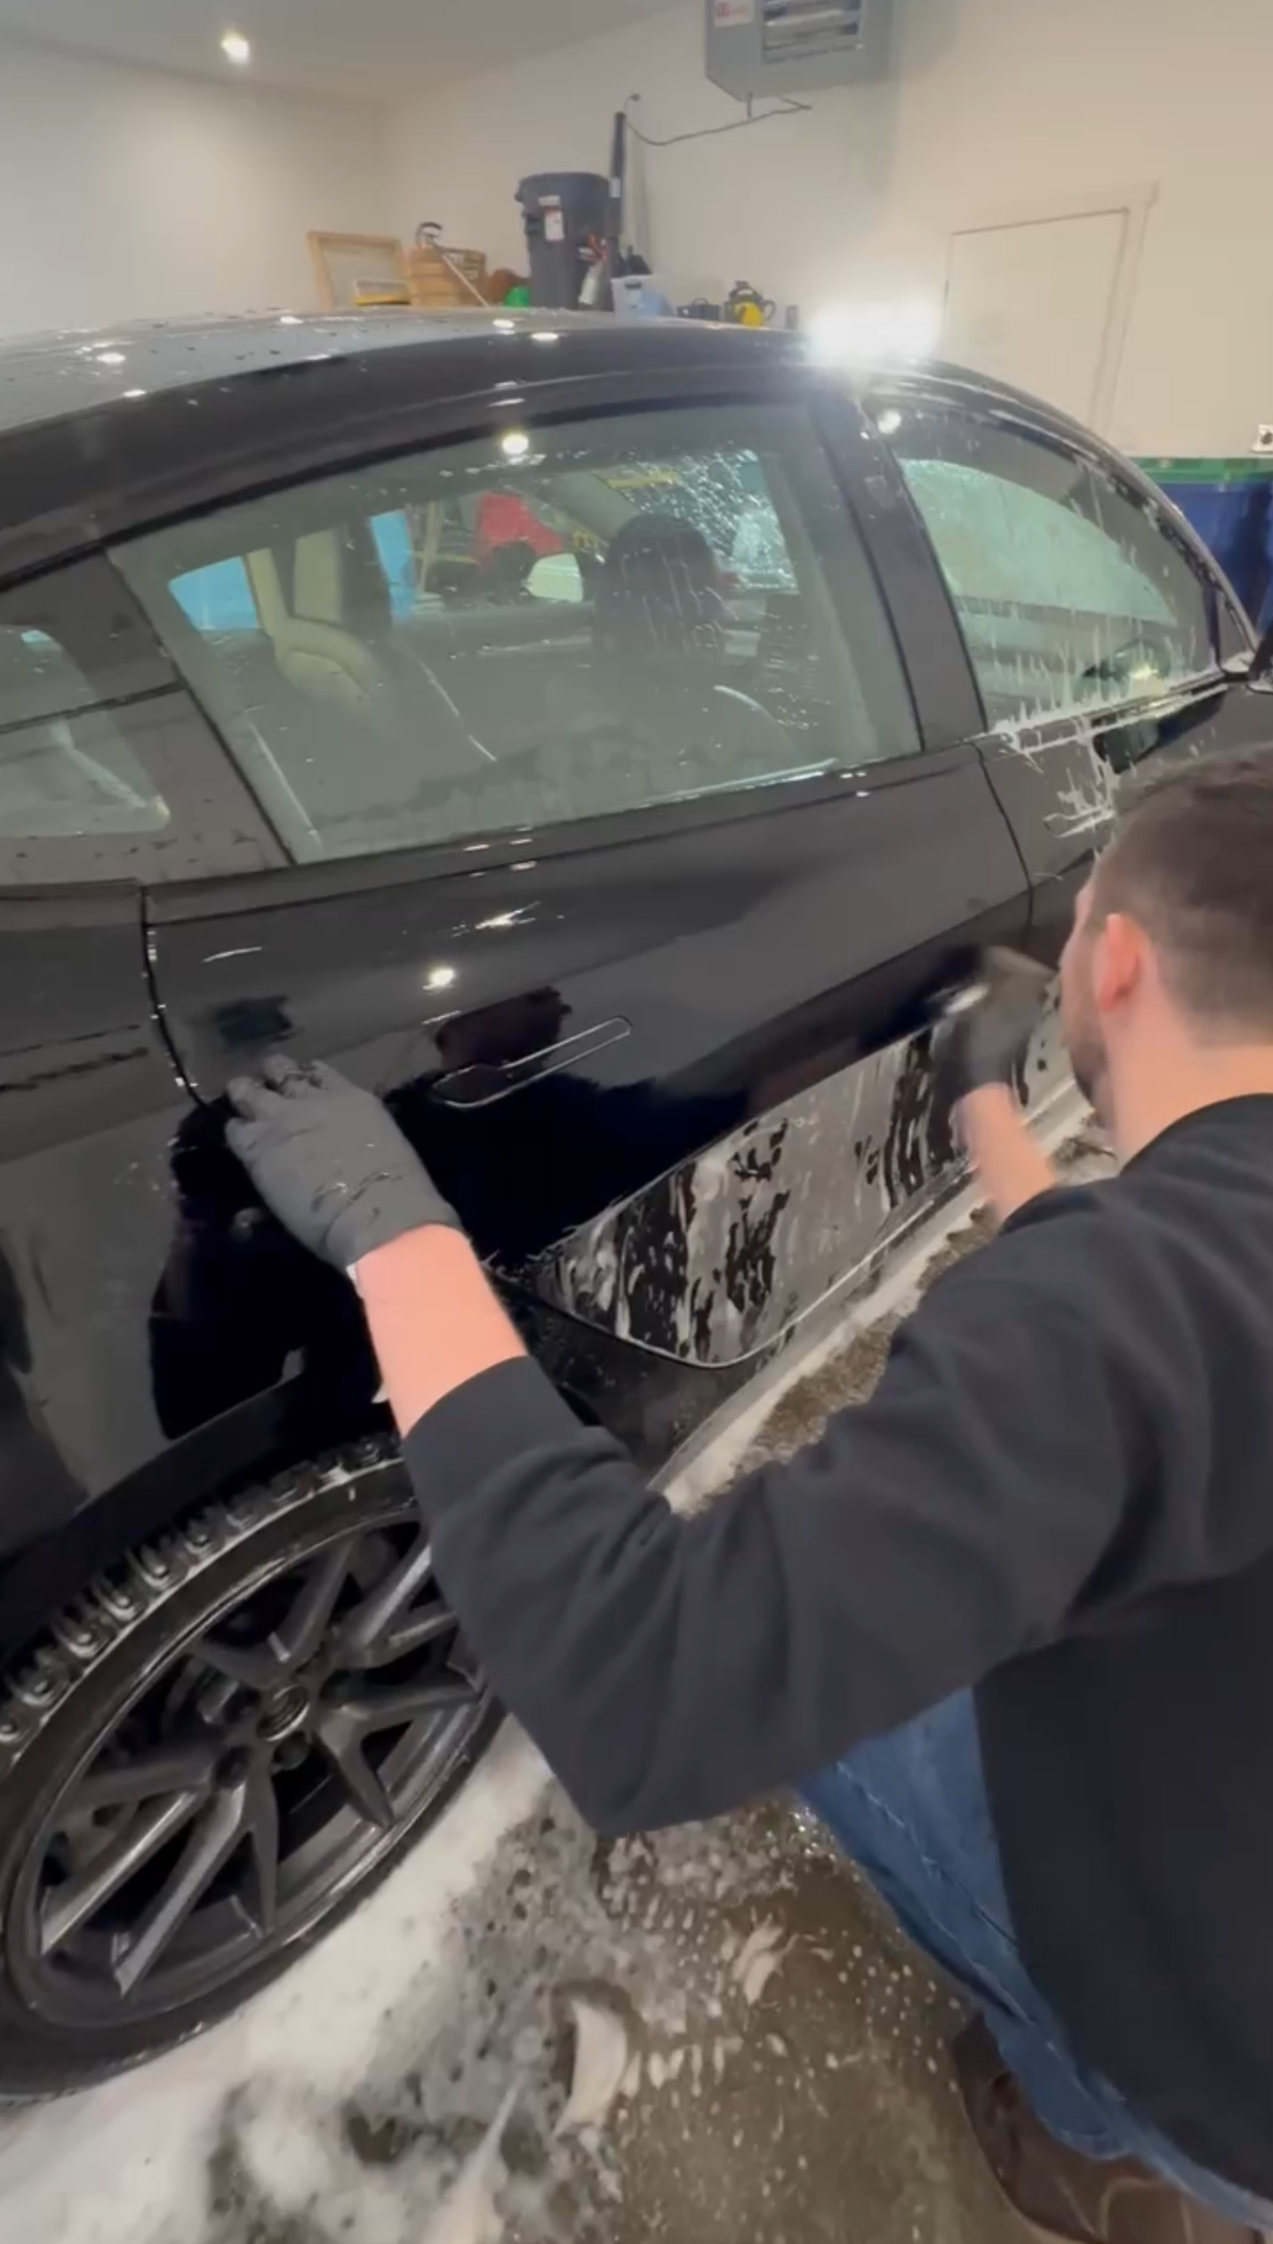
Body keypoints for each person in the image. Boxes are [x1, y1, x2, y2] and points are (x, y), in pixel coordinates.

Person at [227, 750, 1273, 2244]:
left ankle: (1094, 2133)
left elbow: (647, 1682)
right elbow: (1165, 1321)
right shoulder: (1176, 1284)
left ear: (1110, 962)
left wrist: (397, 1237)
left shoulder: (1127, 1312)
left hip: (1236, 2063)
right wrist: (986, 1105)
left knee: (842, 1707)